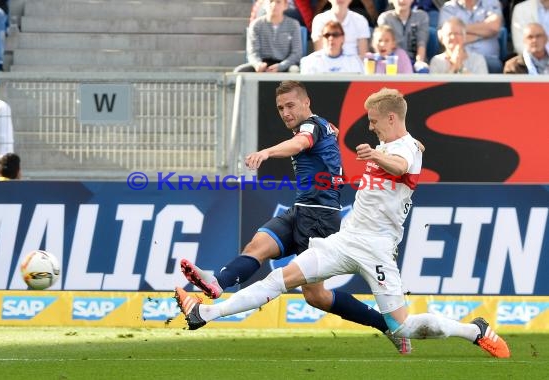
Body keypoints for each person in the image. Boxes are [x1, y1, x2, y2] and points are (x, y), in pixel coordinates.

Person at [175, 87, 511, 359]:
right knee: (280, 278)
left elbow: (399, 166)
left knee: (403, 327)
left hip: (377, 249)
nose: (370, 125)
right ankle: (205, 314)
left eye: (374, 119)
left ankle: (474, 330)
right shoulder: (394, 145)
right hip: (345, 239)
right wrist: (378, 152)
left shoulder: (405, 149)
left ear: (391, 117)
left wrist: (376, 155)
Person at [180, 80, 411, 354]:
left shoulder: (310, 126)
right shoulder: (321, 125)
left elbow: (300, 142)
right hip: (302, 209)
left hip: (320, 218)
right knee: (257, 246)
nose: (285, 112)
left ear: (306, 102)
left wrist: (267, 152)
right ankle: (218, 283)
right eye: (280, 108)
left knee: (317, 296)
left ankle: (386, 326)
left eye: (290, 105)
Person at [235, 0, 302, 73]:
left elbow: (296, 53)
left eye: (278, 2)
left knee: (295, 70)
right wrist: (258, 64)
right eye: (270, 1)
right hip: (262, 64)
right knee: (239, 71)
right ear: (264, 4)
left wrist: (281, 66)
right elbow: (252, 52)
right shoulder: (256, 25)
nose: (274, 5)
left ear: (285, 5)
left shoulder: (293, 24)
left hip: (285, 65)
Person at [439, 0, 504, 73]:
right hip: (456, 57)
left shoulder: (492, 2)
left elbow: (494, 27)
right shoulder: (449, 7)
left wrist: (458, 31)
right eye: (459, 33)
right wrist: (484, 32)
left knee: (494, 65)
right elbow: (446, 37)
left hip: (488, 59)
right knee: (441, 63)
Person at [378, 0, 430, 65]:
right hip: (393, 62)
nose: (402, 1)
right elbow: (384, 46)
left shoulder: (421, 16)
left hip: (415, 61)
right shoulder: (385, 18)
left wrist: (419, 63)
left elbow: (421, 42)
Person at [300, 20, 364, 72]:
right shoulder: (310, 61)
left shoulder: (354, 61)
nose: (331, 38)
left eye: (335, 34)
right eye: (327, 35)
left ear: (343, 38)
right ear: (322, 38)